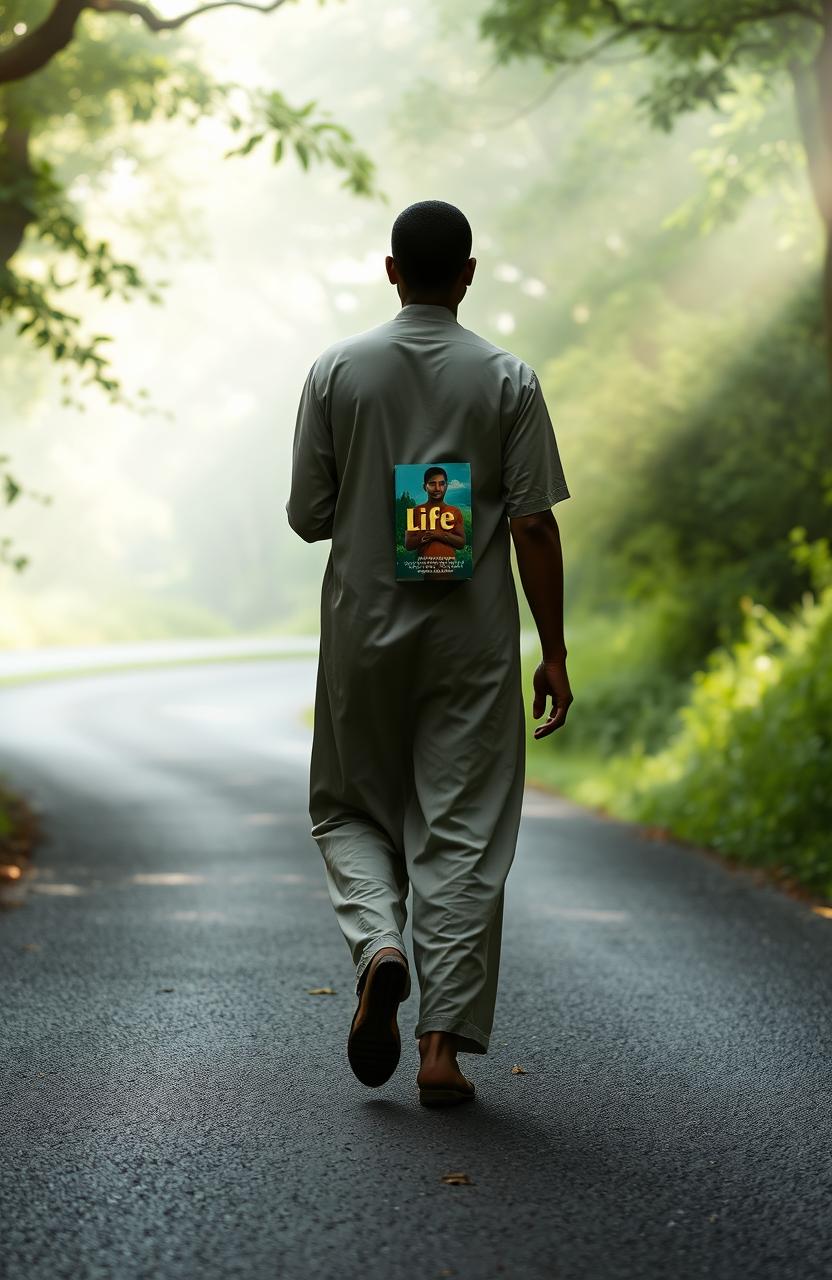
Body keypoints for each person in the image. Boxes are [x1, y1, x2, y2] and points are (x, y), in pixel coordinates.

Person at [286, 199, 573, 1107]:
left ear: (390, 270)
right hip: (470, 644)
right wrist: (554, 651)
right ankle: (441, 1052)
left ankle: (379, 945)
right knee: (461, 832)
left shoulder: (337, 371)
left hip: (363, 634)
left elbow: (308, 516)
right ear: (469, 274)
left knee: (346, 809)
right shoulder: (508, 379)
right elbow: (531, 522)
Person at [403, 466, 466, 581]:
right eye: (432, 484)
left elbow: (461, 543)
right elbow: (408, 544)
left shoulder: (455, 511)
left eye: (441, 484)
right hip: (426, 574)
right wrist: (426, 535)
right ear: (424, 487)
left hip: (449, 573)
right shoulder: (414, 512)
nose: (437, 488)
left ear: (446, 486)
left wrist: (439, 535)